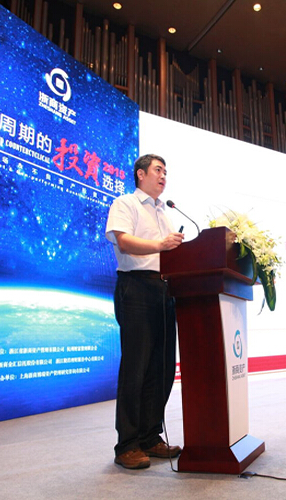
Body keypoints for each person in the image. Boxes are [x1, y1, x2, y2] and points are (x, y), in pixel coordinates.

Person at [105, 154, 185, 469]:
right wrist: (161, 246)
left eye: (166, 171)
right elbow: (124, 242)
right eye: (158, 170)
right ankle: (127, 444)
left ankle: (150, 437)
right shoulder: (125, 203)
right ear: (140, 174)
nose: (163, 176)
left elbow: (171, 252)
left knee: (161, 369)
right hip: (136, 287)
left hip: (165, 290)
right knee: (136, 368)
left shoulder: (165, 211)